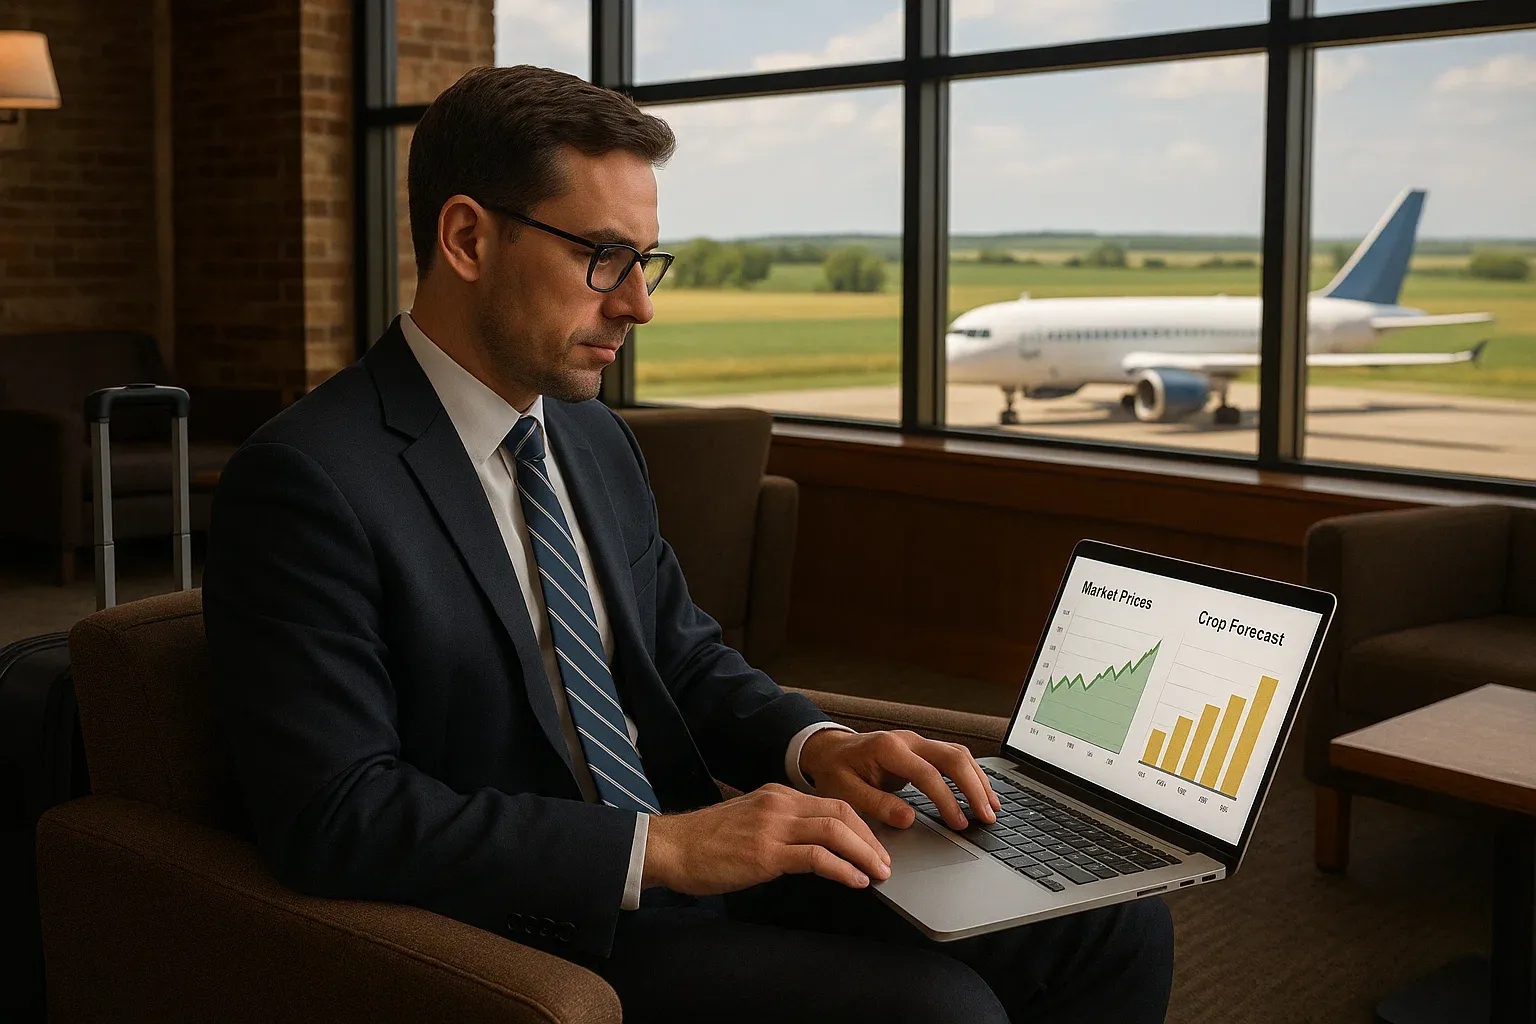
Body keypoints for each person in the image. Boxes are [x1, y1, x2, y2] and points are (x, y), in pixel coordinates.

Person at [202, 64, 1173, 1024]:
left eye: (647, 260)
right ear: (467, 238)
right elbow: (337, 815)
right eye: (603, 257)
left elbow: (681, 657)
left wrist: (817, 746)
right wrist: (659, 849)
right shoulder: (308, 481)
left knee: (1113, 928)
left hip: (703, 853)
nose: (638, 305)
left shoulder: (588, 434)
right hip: (545, 923)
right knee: (941, 1009)